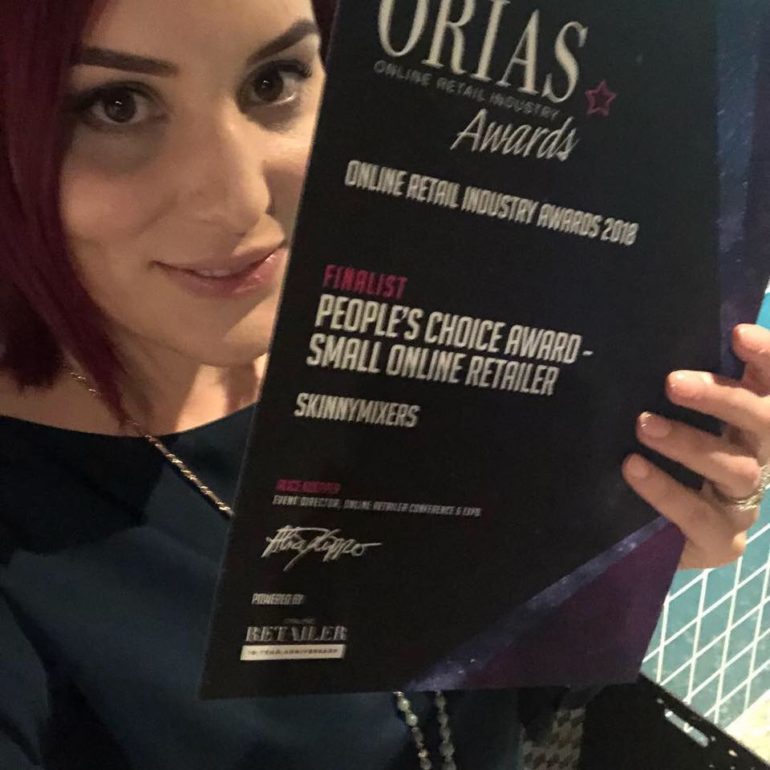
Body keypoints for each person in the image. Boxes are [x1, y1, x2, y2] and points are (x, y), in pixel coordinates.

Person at [0, 1, 768, 768]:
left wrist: (635, 548)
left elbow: (518, 693)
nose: (239, 201)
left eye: (274, 81)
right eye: (117, 105)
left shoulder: (426, 334)